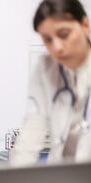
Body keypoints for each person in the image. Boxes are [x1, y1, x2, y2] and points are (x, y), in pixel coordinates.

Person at [10, 0, 91, 165]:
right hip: (60, 175)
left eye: (64, 34)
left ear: (84, 25)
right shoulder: (45, 68)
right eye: (47, 40)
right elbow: (32, 130)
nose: (57, 47)